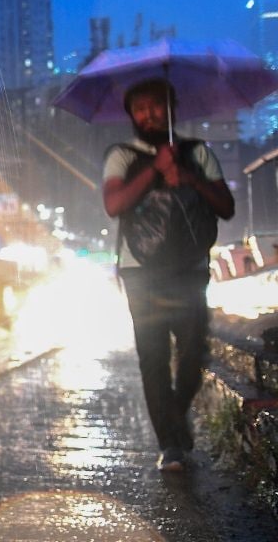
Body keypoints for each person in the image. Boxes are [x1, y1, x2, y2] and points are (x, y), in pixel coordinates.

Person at [102, 77, 234, 473]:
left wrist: (188, 177)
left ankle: (175, 416)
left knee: (194, 351)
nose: (149, 114)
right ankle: (170, 446)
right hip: (140, 271)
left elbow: (225, 206)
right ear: (131, 116)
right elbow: (114, 203)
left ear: (172, 108)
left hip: (190, 268)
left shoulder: (198, 153)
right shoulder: (122, 156)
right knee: (153, 358)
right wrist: (155, 171)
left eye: (157, 106)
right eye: (140, 109)